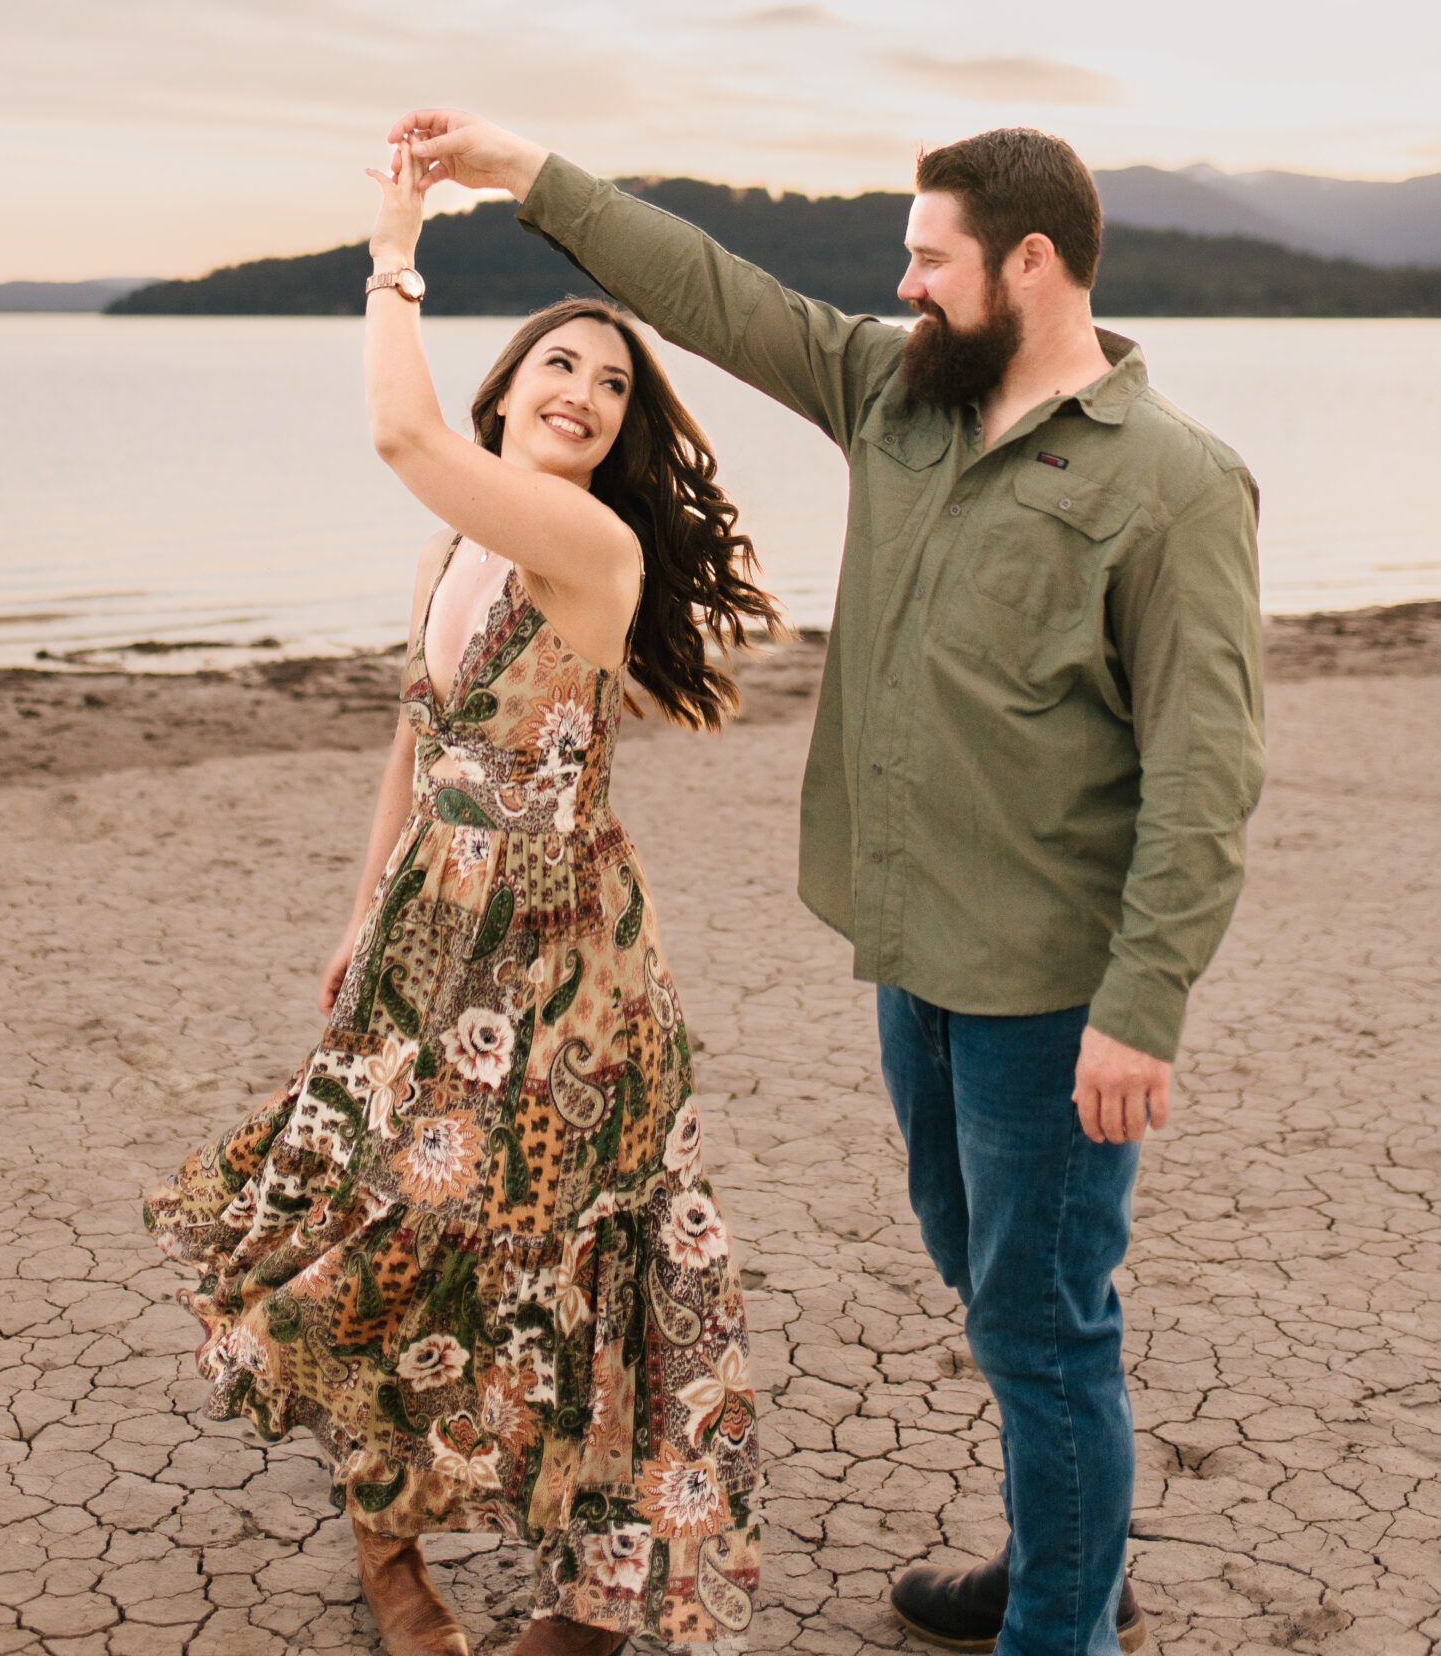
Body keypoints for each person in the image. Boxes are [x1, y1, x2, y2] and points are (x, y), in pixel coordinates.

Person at [384, 109, 1267, 1656]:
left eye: (932, 260)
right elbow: (715, 292)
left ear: (1032, 262)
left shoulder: (1177, 484)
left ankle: (1057, 1629)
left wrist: (1143, 1008)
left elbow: (1206, 775)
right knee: (990, 1281)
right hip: (912, 949)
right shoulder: (898, 399)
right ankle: (1067, 1556)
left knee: (1046, 1321)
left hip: (1055, 988)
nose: (905, 286)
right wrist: (529, 174)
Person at [145, 137, 781, 1656]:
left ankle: (593, 1608)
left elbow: (393, 430)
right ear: (507, 394)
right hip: (433, 942)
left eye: (612, 385)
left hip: (568, 979)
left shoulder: (589, 545)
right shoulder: (462, 537)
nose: (582, 391)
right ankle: (391, 1556)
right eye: (559, 364)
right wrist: (364, 911)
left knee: (575, 1262)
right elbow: (414, 733)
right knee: (391, 1231)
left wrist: (392, 243)